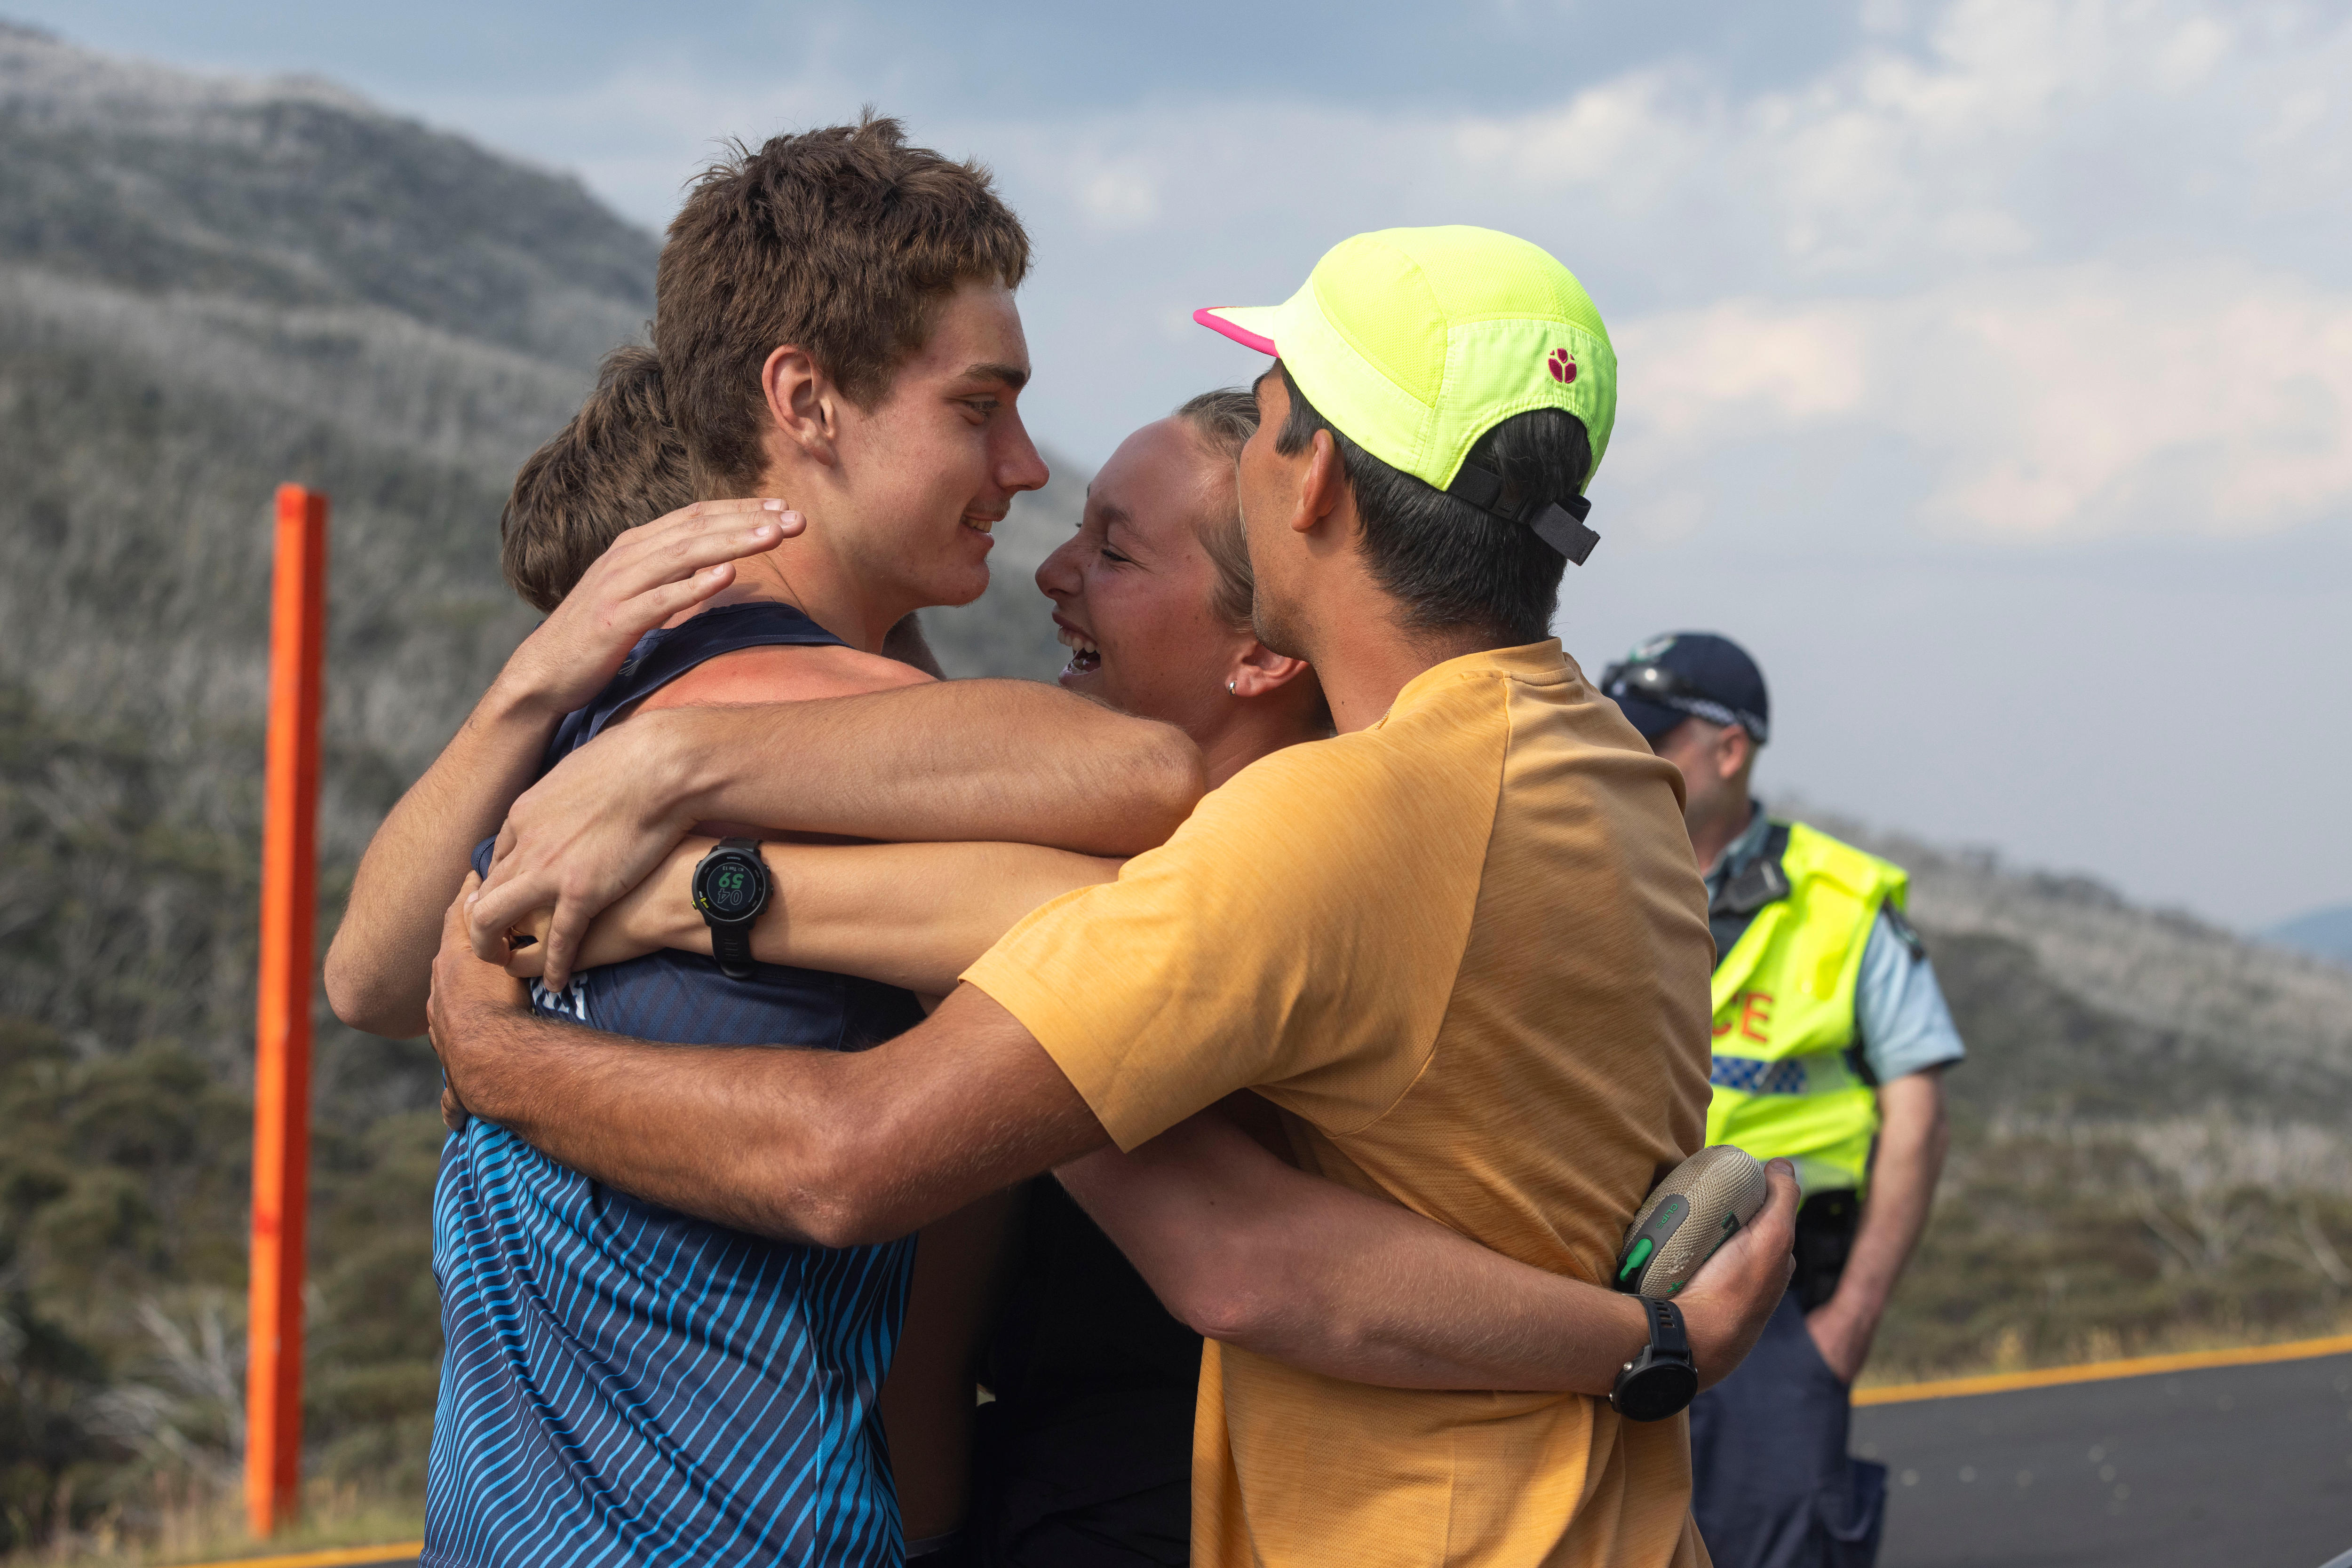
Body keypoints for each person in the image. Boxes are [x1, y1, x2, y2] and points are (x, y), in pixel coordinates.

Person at [435, 225, 1770, 1568]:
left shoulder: (1341, 825)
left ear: (1311, 483)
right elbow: (1053, 929)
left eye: (1259, 425)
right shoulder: (1608, 776)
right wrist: (713, 890)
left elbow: (851, 1158)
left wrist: (502, 1053)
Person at [327, 119, 1211, 1568]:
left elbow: (365, 986)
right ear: (804, 397)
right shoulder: (797, 708)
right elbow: (1152, 778)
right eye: (978, 405)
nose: (1021, 462)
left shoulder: (606, 714)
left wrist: (641, 745)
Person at [1600, 632, 1965, 1568]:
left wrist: (1846, 1324)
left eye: (1653, 738)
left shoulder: (1840, 900)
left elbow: (1916, 1111)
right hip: (1600, 1280)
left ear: (1729, 749)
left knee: (1772, 1544)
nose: (1625, 754)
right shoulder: (1582, 872)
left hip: (1778, 1298)